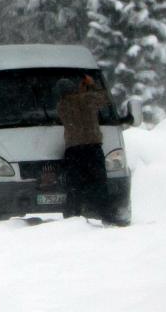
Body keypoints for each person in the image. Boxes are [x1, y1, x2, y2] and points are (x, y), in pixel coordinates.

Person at [56, 75, 112, 222]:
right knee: (99, 183)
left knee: (75, 185)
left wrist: (81, 92)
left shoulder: (61, 106)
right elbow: (104, 98)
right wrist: (92, 85)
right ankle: (105, 214)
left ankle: (73, 216)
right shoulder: (88, 99)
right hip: (92, 148)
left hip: (73, 150)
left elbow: (74, 104)